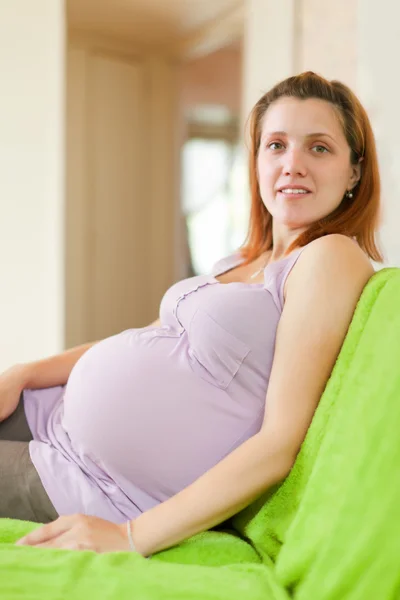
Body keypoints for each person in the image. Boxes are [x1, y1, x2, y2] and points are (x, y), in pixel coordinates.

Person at [2, 71, 381, 557]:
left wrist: (129, 536)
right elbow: (148, 335)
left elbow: (279, 443)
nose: (293, 165)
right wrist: (26, 372)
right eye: (276, 145)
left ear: (354, 171)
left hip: (94, 485)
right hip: (48, 412)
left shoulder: (330, 258)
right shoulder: (242, 262)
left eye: (319, 148)